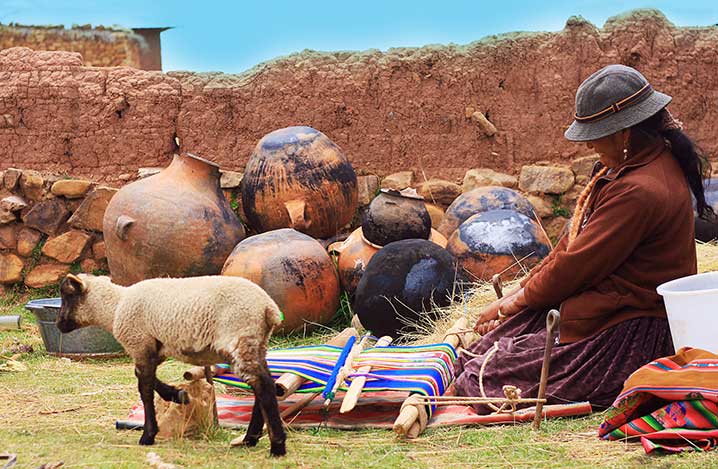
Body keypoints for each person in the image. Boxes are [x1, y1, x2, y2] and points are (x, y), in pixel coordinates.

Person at [454, 64, 714, 412]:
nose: (589, 143)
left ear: (624, 133)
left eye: (595, 133)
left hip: (628, 331)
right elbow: (571, 246)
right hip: (600, 308)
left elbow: (575, 266)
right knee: (479, 352)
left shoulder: (639, 191)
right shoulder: (627, 167)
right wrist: (521, 291)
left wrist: (509, 303)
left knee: (481, 379)